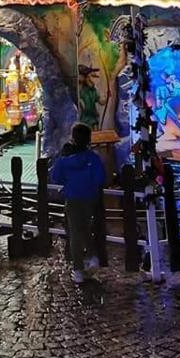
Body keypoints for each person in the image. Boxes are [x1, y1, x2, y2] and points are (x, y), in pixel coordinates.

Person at [51, 122, 106, 284]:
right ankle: (92, 255)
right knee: (85, 227)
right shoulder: (93, 158)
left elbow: (56, 176)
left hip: (73, 197)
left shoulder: (64, 160)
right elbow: (100, 178)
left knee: (75, 232)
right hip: (90, 198)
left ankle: (78, 268)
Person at [78, 65, 100, 130]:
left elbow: (101, 101)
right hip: (84, 120)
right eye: (88, 76)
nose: (90, 79)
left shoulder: (91, 90)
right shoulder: (79, 90)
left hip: (93, 118)